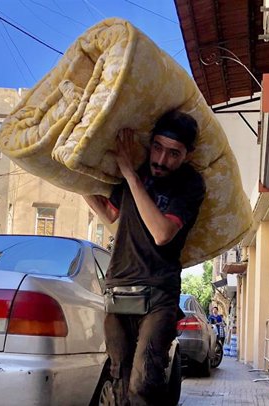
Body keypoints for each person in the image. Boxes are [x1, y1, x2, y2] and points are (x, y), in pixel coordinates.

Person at [84, 110, 206, 405]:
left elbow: (162, 233)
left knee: (144, 383)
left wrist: (129, 173)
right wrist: (79, 180)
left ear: (187, 155)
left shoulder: (189, 184)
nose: (161, 160)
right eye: (158, 147)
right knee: (120, 381)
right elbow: (111, 215)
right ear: (150, 143)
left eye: (173, 153)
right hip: (118, 287)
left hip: (158, 293)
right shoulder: (135, 171)